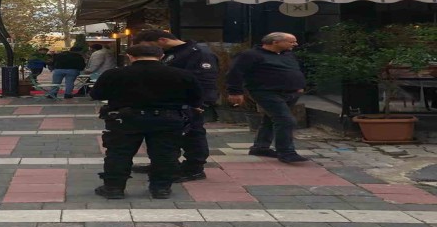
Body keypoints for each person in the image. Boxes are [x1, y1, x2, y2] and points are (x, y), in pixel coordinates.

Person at [91, 45, 201, 199]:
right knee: (165, 154)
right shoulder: (181, 74)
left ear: (130, 56)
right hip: (167, 119)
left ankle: (113, 188)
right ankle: (161, 188)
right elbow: (195, 98)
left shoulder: (114, 74)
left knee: (119, 153)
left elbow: (96, 94)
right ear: (161, 56)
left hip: (125, 119)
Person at [133, 29, 218, 182]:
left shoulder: (197, 53)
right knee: (169, 135)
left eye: (150, 46)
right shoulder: (172, 53)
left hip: (190, 102)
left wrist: (200, 102)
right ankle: (167, 164)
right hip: (172, 102)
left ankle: (194, 168)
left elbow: (205, 80)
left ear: (162, 40)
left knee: (192, 134)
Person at [227, 32, 308, 164]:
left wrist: (300, 85)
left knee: (270, 119)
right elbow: (235, 72)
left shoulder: (288, 54)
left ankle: (260, 147)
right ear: (275, 42)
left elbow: (295, 70)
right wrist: (235, 92)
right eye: (291, 41)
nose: (295, 44)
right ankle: (286, 152)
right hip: (266, 92)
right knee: (286, 120)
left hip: (291, 92)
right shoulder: (251, 55)